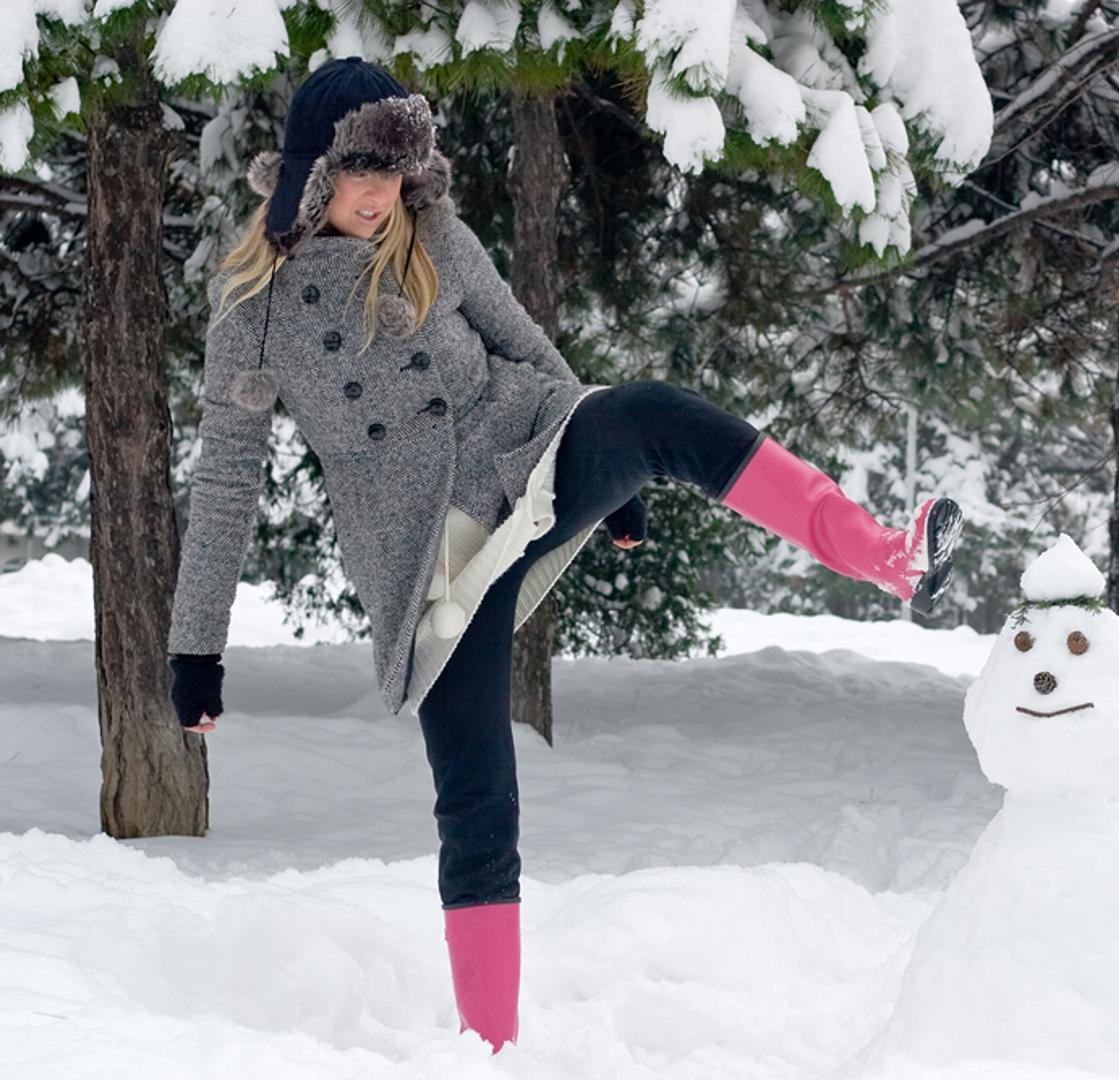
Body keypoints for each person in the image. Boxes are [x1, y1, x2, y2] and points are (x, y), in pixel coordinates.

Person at [164, 56, 962, 1053]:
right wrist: (196, 649)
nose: (377, 200)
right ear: (308, 174)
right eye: (359, 176)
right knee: (476, 794)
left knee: (658, 412)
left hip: (518, 451)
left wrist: (607, 473)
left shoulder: (438, 241)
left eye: (393, 178)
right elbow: (227, 478)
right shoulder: (256, 312)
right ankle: (486, 1049)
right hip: (428, 551)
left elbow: (533, 357)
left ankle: (883, 555)